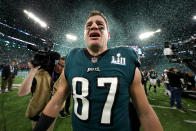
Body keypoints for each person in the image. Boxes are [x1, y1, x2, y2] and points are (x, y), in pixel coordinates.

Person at [33, 10, 163, 131]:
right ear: (85, 34)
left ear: (108, 35)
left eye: (100, 25)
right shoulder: (72, 58)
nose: (94, 26)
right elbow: (57, 101)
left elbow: (145, 113)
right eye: (89, 25)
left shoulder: (125, 58)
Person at [18, 53, 61, 131]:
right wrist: (33, 69)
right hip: (37, 113)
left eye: (63, 66)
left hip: (51, 113)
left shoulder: (63, 77)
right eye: (58, 64)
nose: (59, 67)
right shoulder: (41, 73)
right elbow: (22, 92)